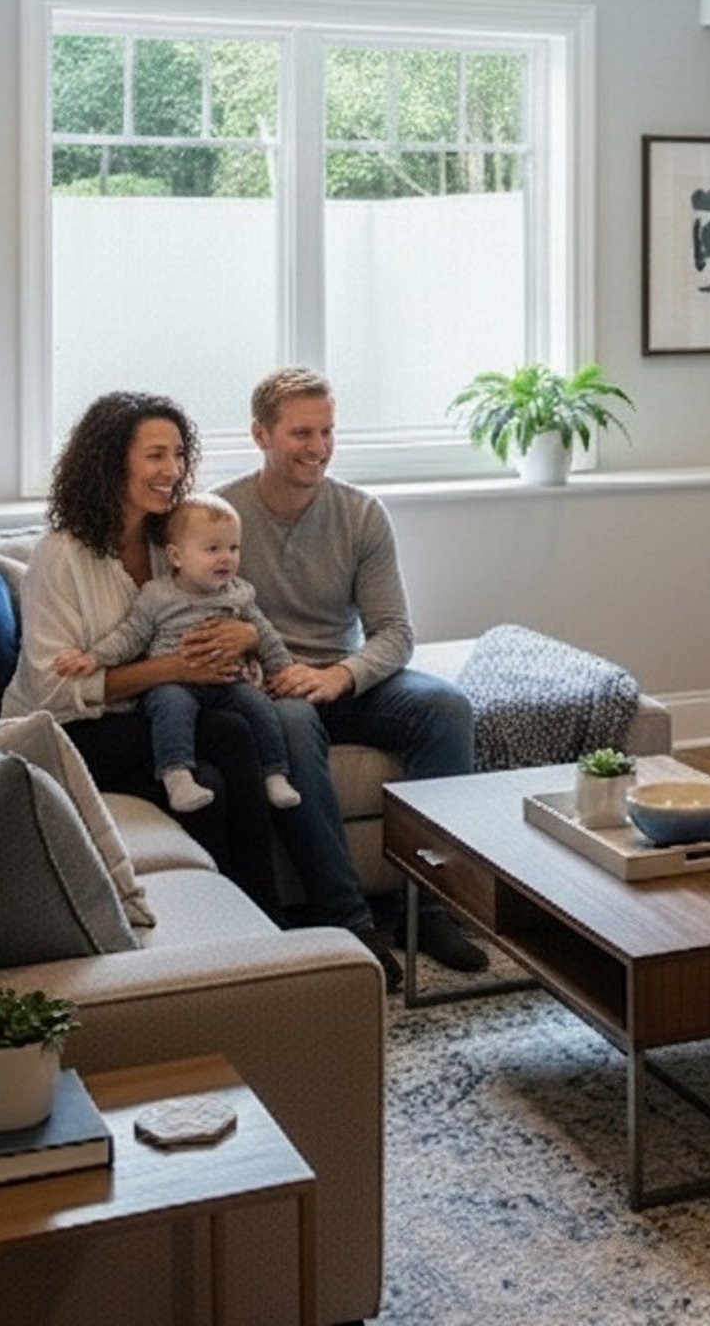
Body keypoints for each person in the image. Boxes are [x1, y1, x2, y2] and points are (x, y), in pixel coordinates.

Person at [220, 366, 489, 989]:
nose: (317, 447)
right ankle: (349, 920)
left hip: (343, 678)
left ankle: (429, 910)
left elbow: (395, 632)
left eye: (327, 431)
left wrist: (342, 674)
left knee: (446, 707)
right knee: (289, 723)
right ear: (261, 435)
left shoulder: (361, 515)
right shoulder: (222, 513)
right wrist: (264, 671)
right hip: (271, 688)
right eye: (301, 433)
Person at [3, 391, 284, 917]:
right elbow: (54, 688)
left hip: (152, 715)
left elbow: (224, 603)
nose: (173, 470)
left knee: (228, 751)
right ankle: (251, 917)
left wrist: (244, 638)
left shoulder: (170, 542)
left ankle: (252, 917)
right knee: (223, 746)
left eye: (179, 455)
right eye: (156, 455)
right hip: (64, 732)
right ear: (112, 462)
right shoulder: (62, 555)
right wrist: (172, 669)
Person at [53, 491, 302, 817]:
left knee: (260, 707)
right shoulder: (158, 596)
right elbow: (130, 636)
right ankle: (176, 775)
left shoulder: (239, 594)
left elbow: (263, 634)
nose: (226, 558)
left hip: (227, 682)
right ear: (176, 556)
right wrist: (94, 658)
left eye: (233, 548)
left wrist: (283, 670)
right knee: (171, 707)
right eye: (212, 549)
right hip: (173, 684)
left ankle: (274, 773)